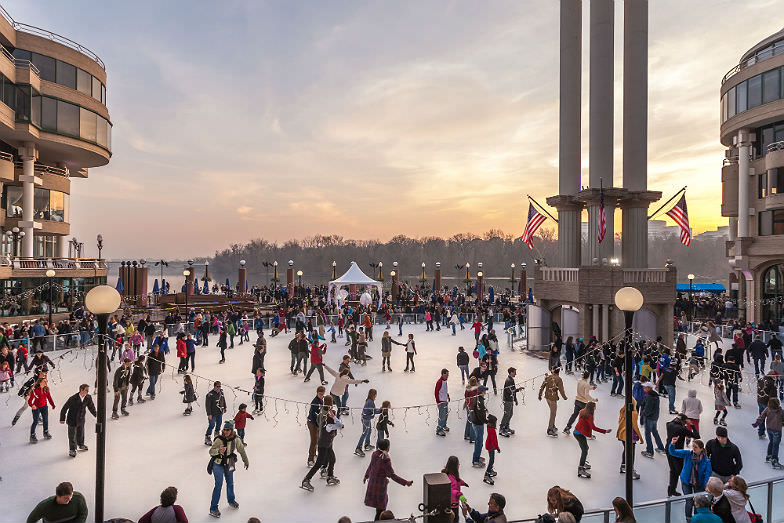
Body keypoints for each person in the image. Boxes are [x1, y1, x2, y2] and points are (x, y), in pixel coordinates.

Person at [363, 438, 413, 520]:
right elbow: (392, 475)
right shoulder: (385, 460)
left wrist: (366, 476)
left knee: (379, 509)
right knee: (381, 510)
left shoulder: (375, 454)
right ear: (387, 448)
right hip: (380, 488)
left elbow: (371, 466)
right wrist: (406, 482)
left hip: (373, 484)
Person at [301, 395, 344, 490]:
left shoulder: (324, 412)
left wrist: (332, 415)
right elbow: (340, 425)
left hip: (328, 442)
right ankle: (306, 480)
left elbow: (318, 421)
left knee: (332, 459)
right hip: (324, 444)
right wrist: (334, 418)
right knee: (319, 463)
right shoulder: (329, 425)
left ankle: (330, 477)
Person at [208, 420, 249, 518]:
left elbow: (241, 450)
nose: (225, 431)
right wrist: (218, 451)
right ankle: (213, 508)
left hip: (229, 463)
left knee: (230, 483)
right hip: (218, 464)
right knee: (218, 485)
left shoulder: (236, 439)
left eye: (228, 430)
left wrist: (246, 461)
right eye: (224, 429)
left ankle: (231, 500)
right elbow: (211, 451)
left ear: (231, 430)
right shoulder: (219, 440)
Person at [668, 437, 712, 521]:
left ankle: (696, 518)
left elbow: (707, 475)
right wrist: (672, 444)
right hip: (686, 481)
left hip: (699, 483)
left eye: (695, 447)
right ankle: (688, 518)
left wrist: (706, 485)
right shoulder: (687, 454)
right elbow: (672, 452)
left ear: (701, 449)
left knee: (698, 501)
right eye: (693, 446)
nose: (693, 449)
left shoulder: (706, 462)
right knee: (689, 501)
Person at [573, 401, 610, 479]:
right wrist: (605, 431)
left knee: (586, 448)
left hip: (577, 432)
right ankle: (580, 468)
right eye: (595, 407)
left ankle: (583, 463)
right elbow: (593, 427)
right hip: (579, 434)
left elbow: (582, 423)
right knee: (585, 450)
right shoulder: (589, 415)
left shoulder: (582, 411)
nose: (595, 408)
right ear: (592, 408)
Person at [59, 384, 96, 458]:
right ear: (81, 390)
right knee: (72, 436)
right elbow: (64, 408)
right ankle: (72, 449)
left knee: (81, 433)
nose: (88, 392)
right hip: (72, 420)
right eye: (86, 390)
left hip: (81, 419)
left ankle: (81, 444)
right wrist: (62, 418)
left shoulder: (88, 397)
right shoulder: (73, 398)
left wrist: (96, 414)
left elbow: (91, 407)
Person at [666, 413, 697, 496]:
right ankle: (687, 492)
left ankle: (671, 490)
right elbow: (696, 436)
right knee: (681, 471)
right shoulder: (682, 429)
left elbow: (674, 421)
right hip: (678, 452)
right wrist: (692, 425)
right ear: (684, 421)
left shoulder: (669, 424)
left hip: (669, 449)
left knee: (673, 470)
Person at [752, 396, 783, 468]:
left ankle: (769, 456)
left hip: (769, 429)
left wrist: (756, 424)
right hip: (777, 430)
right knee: (776, 445)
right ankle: (774, 460)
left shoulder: (767, 409)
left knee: (771, 441)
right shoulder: (781, 411)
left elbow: (761, 417)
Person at [564, 371, 597, 435]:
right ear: (588, 377)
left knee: (574, 415)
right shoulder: (586, 384)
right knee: (586, 418)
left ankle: (567, 428)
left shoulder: (579, 381)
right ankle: (587, 433)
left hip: (577, 400)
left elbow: (584, 387)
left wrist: (592, 388)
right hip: (583, 403)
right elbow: (586, 395)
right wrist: (594, 400)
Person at [617, 399, 643, 480]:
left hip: (622, 434)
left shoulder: (623, 410)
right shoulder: (634, 413)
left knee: (626, 450)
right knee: (631, 453)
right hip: (630, 436)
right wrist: (641, 438)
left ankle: (623, 466)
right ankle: (631, 471)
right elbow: (635, 426)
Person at [640, 381, 666, 458]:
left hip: (649, 418)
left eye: (645, 387)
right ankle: (661, 448)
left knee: (647, 434)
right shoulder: (655, 395)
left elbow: (647, 409)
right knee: (655, 432)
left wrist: (643, 415)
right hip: (655, 417)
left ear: (649, 388)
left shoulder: (649, 396)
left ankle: (649, 451)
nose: (643, 388)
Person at [538, 367, 567, 437]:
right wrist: (564, 397)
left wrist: (540, 394)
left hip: (547, 397)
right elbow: (561, 390)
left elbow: (542, 386)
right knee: (553, 414)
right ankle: (550, 429)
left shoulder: (548, 377)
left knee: (552, 413)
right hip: (553, 398)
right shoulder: (559, 379)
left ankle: (552, 425)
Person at [28, 376, 55, 443]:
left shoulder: (46, 389)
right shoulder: (35, 390)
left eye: (46, 381)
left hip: (44, 407)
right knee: (36, 421)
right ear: (40, 382)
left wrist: (52, 404)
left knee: (45, 420)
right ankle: (32, 435)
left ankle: (46, 432)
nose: (46, 383)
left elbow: (49, 398)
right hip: (37, 408)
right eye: (44, 381)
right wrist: (32, 405)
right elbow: (30, 400)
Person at [356, 389, 382, 456]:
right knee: (364, 433)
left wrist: (380, 410)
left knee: (369, 431)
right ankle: (358, 448)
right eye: (376, 394)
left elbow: (373, 410)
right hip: (366, 419)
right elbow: (374, 411)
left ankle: (367, 445)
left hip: (367, 418)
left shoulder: (370, 401)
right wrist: (381, 410)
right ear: (374, 395)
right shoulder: (370, 402)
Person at [500, 367, 523, 437]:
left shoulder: (511, 380)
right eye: (514, 372)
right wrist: (518, 390)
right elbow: (510, 391)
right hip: (507, 400)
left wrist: (515, 399)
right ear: (511, 372)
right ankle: (502, 429)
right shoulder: (508, 380)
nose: (516, 374)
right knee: (507, 414)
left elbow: (512, 390)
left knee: (510, 414)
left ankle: (506, 427)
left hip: (510, 399)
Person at [306, 386, 325, 467]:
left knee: (317, 439)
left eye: (322, 394)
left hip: (317, 423)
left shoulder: (321, 400)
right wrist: (317, 425)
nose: (321, 395)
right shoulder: (315, 402)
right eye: (320, 394)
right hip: (312, 423)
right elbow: (313, 415)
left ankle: (314, 453)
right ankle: (310, 459)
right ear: (317, 393)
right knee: (313, 441)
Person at [470, 386, 489, 467]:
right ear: (482, 392)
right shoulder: (480, 401)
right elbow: (480, 414)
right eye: (485, 391)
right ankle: (475, 461)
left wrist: (484, 408)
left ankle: (477, 457)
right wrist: (486, 422)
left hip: (475, 422)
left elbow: (475, 408)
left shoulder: (476, 398)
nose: (486, 392)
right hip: (478, 424)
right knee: (479, 442)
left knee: (479, 442)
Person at [205, 381, 227, 446]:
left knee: (219, 424)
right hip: (212, 413)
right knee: (212, 425)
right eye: (217, 386)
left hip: (219, 412)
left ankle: (217, 436)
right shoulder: (210, 395)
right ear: (214, 386)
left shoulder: (221, 392)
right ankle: (208, 437)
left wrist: (224, 407)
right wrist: (209, 414)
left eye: (220, 386)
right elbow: (207, 405)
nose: (219, 388)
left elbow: (223, 400)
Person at [483, 414, 500, 485]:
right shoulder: (492, 430)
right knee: (491, 460)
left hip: (489, 445)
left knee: (491, 459)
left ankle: (490, 470)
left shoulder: (489, 427)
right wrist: (497, 448)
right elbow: (494, 441)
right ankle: (487, 474)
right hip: (491, 446)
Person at [435, 368, 450, 436]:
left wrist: (448, 396)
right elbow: (436, 392)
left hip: (445, 400)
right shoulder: (439, 382)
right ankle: (439, 429)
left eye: (448, 375)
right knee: (442, 416)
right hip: (441, 401)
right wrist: (438, 402)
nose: (447, 376)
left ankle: (444, 425)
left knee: (446, 414)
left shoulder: (445, 381)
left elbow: (445, 390)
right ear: (443, 374)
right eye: (446, 375)